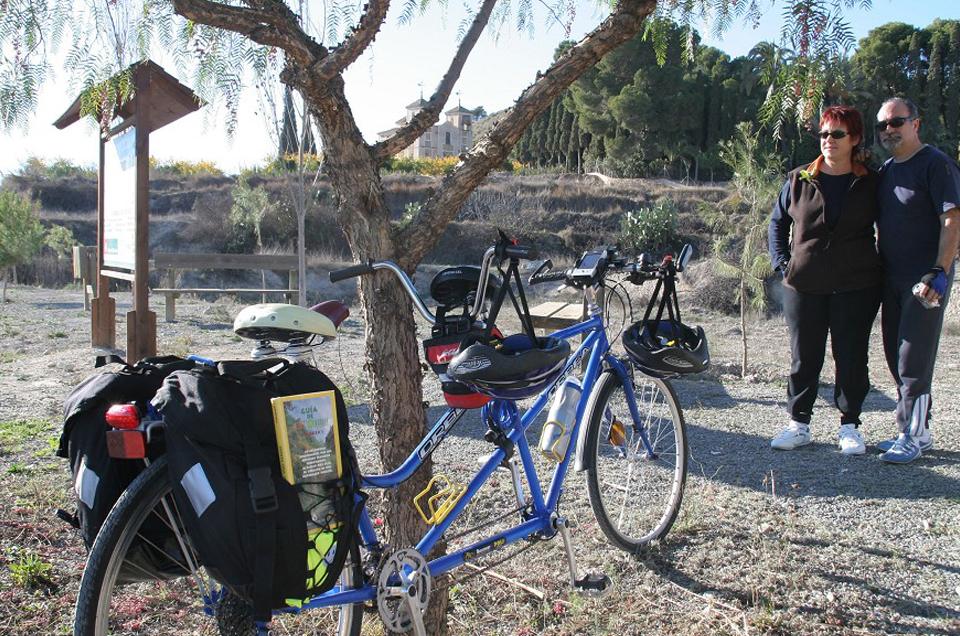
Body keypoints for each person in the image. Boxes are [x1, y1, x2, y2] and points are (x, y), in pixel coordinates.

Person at [768, 105, 882, 455]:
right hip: (805, 284)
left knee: (850, 356)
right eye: (823, 134)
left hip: (856, 284)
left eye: (837, 134)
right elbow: (777, 223)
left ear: (855, 139)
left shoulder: (871, 181)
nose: (828, 141)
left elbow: (889, 225)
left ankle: (850, 426)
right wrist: (782, 263)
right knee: (804, 357)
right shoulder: (799, 178)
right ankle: (798, 424)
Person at [873, 97, 960, 464]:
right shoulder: (887, 170)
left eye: (896, 122)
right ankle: (917, 433)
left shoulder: (936, 165)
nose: (889, 130)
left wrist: (940, 269)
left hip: (926, 280)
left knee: (913, 359)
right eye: (883, 125)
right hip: (890, 277)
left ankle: (910, 434)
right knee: (895, 355)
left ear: (915, 124)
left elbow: (953, 220)